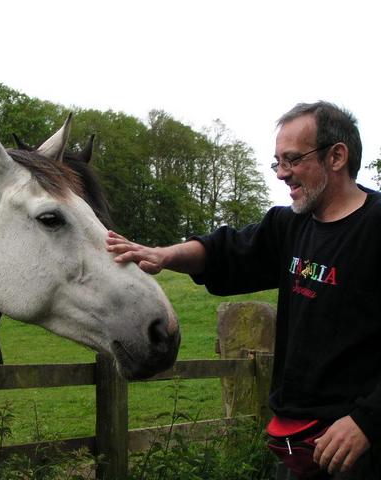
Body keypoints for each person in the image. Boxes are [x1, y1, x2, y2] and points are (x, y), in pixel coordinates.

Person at [106, 101, 381, 479]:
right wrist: (164, 255)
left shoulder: (375, 227)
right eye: (277, 162)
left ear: (336, 156)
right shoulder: (289, 226)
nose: (282, 174)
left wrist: (367, 420)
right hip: (298, 445)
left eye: (292, 159)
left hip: (360, 446)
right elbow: (225, 251)